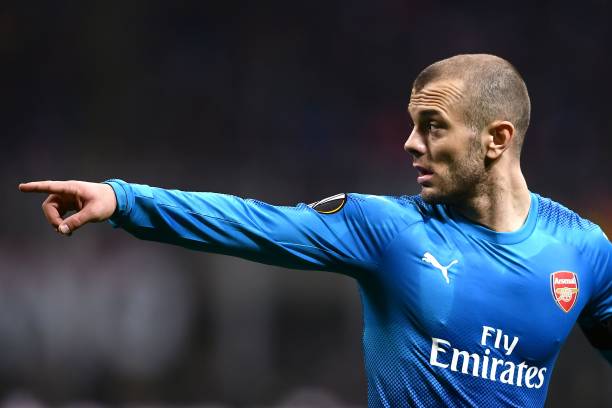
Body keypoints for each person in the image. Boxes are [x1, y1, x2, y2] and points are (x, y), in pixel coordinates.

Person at [20, 54, 611, 407]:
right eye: (412, 124)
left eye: (432, 126)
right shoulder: (387, 230)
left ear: (497, 139)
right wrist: (125, 199)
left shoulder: (583, 253)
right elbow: (253, 224)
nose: (410, 143)